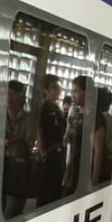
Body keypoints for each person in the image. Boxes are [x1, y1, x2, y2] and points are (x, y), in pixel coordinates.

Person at [34, 74, 66, 206]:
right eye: (54, 87)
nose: (58, 90)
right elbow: (39, 131)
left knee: (55, 191)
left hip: (58, 154)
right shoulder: (44, 109)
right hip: (49, 155)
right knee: (46, 191)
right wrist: (43, 153)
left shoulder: (57, 109)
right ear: (45, 90)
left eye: (58, 87)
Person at [2, 79, 31, 218]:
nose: (9, 98)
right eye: (6, 94)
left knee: (12, 213)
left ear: (21, 97)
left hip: (19, 172)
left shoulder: (28, 119)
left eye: (13, 94)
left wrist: (14, 141)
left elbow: (30, 145)